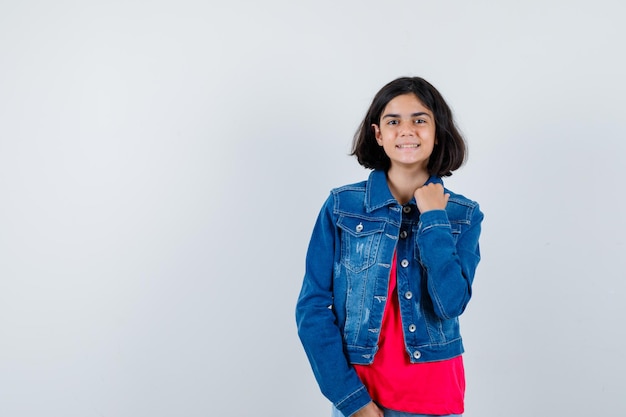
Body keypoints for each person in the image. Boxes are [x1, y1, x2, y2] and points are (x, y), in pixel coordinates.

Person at [295, 76, 483, 417]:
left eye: (420, 120)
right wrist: (351, 400)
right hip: (362, 394)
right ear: (378, 134)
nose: (406, 130)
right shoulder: (342, 206)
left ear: (437, 131)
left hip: (435, 397)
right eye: (393, 121)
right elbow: (312, 309)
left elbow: (450, 303)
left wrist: (434, 220)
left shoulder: (462, 215)